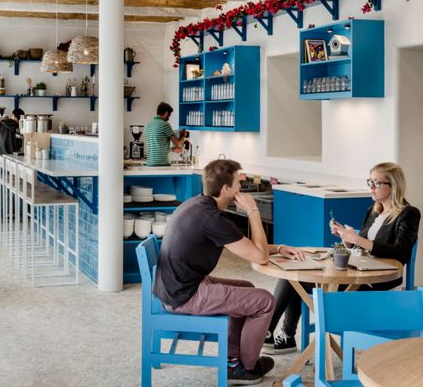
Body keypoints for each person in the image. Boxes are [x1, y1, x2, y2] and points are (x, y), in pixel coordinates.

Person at [154, 158, 304, 385]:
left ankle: (233, 360)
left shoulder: (198, 206)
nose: (240, 189)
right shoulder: (212, 219)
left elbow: (248, 247)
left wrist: (280, 248)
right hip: (185, 295)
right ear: (226, 189)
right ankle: (247, 367)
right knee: (265, 301)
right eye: (237, 184)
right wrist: (253, 211)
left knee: (248, 288)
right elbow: (260, 256)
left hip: (176, 287)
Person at [265, 162, 420, 354]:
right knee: (295, 275)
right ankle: (281, 334)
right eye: (370, 181)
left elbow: (400, 252)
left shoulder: (409, 214)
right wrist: (347, 240)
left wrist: (357, 239)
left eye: (377, 183)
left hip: (378, 281)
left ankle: (273, 333)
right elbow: (362, 249)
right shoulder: (373, 211)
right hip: (361, 272)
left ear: (393, 185)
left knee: (294, 279)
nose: (371, 187)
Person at [145, 102, 188, 166]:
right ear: (166, 113)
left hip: (149, 163)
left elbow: (157, 147)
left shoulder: (149, 125)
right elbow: (179, 144)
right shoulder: (165, 125)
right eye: (169, 115)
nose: (169, 117)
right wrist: (183, 135)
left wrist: (172, 149)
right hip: (161, 164)